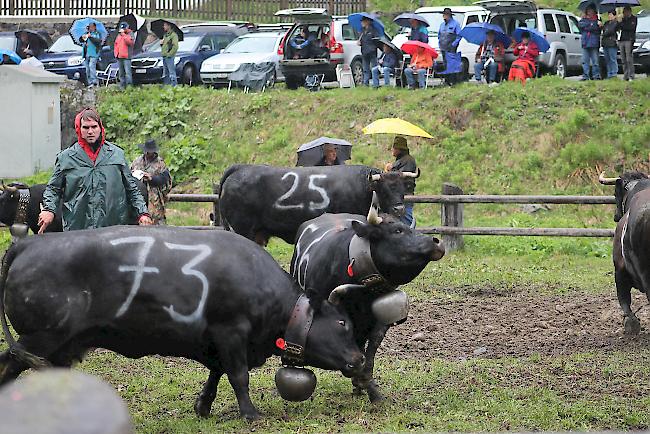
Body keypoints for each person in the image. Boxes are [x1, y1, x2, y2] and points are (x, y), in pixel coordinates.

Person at [38, 108, 152, 233]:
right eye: (86, 128)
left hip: (113, 227)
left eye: (94, 127)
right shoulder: (66, 158)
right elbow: (53, 188)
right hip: (78, 227)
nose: (90, 131)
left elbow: (132, 188)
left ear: (100, 128)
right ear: (79, 129)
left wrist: (143, 213)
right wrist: (49, 209)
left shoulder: (116, 155)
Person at [131, 139, 172, 225]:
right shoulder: (137, 161)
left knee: (157, 223)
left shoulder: (160, 164)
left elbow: (166, 181)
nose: (148, 153)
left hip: (154, 200)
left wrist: (151, 178)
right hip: (139, 197)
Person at [386, 136, 417, 228]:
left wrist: (391, 169)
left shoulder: (408, 160)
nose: (392, 150)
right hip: (399, 196)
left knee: (406, 219)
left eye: (394, 148)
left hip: (404, 195)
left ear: (400, 149)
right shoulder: (403, 160)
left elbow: (401, 177)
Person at [438, 8, 462, 85]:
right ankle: (447, 81)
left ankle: (454, 81)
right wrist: (439, 43)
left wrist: (454, 44)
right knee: (445, 64)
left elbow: (459, 35)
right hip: (443, 47)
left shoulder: (456, 24)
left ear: (449, 15)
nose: (444, 16)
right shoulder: (441, 25)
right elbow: (439, 35)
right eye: (443, 15)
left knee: (452, 64)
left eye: (445, 15)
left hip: (451, 47)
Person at [578, 6, 602, 80]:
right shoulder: (583, 20)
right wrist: (591, 25)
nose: (589, 13)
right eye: (588, 11)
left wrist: (591, 26)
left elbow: (596, 29)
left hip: (594, 43)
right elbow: (580, 25)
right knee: (585, 61)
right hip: (585, 43)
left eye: (591, 11)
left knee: (595, 62)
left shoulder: (597, 21)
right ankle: (586, 76)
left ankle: (596, 76)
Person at [618, 6, 637, 81]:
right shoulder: (622, 20)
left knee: (629, 58)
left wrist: (622, 24)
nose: (624, 13)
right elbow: (618, 28)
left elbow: (630, 27)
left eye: (625, 12)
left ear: (629, 11)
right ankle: (625, 75)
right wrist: (619, 22)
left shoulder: (634, 19)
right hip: (622, 39)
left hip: (629, 39)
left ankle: (631, 75)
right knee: (623, 59)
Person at [358, 17, 379, 86]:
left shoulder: (374, 30)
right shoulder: (362, 31)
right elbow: (361, 40)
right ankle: (365, 83)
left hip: (372, 51)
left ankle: (376, 84)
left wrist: (372, 46)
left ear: (367, 22)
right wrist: (359, 42)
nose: (362, 23)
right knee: (365, 69)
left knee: (374, 68)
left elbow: (377, 40)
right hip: (364, 52)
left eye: (363, 21)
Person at [114, 22, 135, 89]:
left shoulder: (130, 34)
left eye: (124, 28)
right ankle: (122, 86)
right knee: (121, 73)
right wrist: (116, 53)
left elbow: (130, 42)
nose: (122, 30)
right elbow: (116, 44)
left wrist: (124, 35)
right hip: (119, 56)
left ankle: (129, 86)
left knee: (128, 73)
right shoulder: (119, 35)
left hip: (126, 56)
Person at [81, 23, 102, 88]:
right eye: (89, 27)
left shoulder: (97, 34)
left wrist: (90, 37)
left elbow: (98, 41)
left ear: (94, 27)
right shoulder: (87, 33)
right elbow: (81, 40)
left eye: (91, 27)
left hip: (94, 53)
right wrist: (84, 38)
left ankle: (94, 82)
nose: (90, 28)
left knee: (91, 66)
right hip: (87, 54)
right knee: (87, 69)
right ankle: (89, 82)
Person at [601, 10, 619, 79]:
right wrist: (601, 26)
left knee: (612, 58)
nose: (610, 16)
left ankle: (614, 73)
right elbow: (604, 30)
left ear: (614, 16)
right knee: (607, 59)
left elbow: (610, 31)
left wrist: (605, 32)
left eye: (611, 15)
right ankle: (609, 73)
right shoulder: (606, 23)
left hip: (612, 43)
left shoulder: (616, 23)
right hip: (605, 43)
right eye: (609, 15)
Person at [161, 21, 179, 86]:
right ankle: (166, 86)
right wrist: (161, 44)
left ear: (169, 26)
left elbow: (175, 46)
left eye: (165, 25)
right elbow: (165, 46)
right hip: (164, 56)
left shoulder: (173, 35)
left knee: (171, 72)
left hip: (169, 56)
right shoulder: (165, 35)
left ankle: (174, 86)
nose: (164, 27)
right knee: (165, 73)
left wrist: (169, 54)